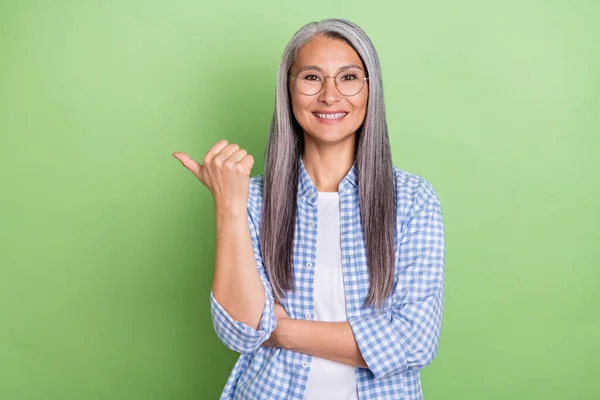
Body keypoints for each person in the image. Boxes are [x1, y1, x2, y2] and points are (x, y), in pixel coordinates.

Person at [173, 18, 445, 400]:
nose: (330, 96)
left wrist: (281, 330)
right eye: (312, 78)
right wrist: (229, 208)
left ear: (370, 91)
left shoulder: (414, 200)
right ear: (289, 90)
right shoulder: (251, 200)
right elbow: (241, 331)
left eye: (348, 78)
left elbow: (414, 341)